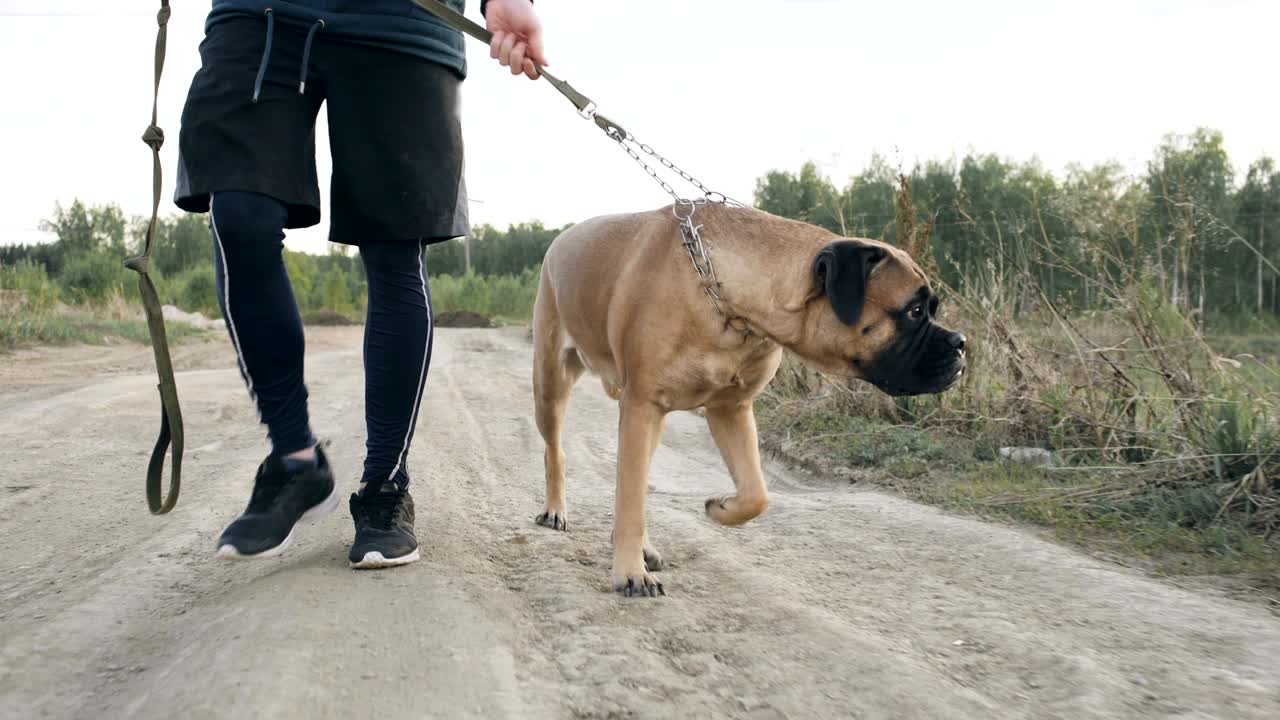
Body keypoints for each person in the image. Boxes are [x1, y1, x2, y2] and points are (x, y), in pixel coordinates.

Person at [172, 0, 547, 569]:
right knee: (239, 215)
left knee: (395, 249)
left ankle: (384, 487)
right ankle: (296, 461)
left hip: (402, 21)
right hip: (261, 15)